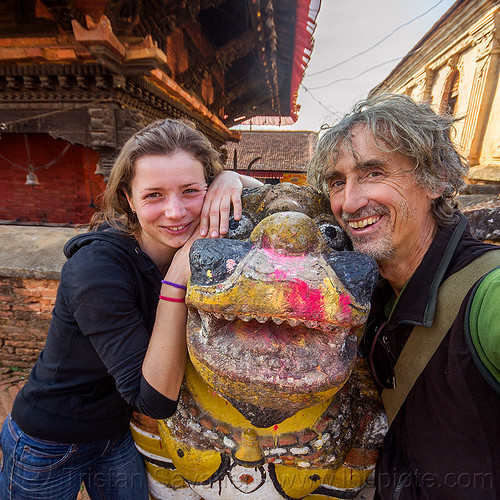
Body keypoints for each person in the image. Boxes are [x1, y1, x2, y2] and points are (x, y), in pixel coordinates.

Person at [0, 118, 262, 500]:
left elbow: (280, 197)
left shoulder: (195, 228)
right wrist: (176, 279)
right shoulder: (96, 270)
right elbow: (154, 400)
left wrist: (231, 179)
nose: (175, 212)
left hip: (117, 432)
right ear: (129, 199)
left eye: (190, 191)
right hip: (50, 440)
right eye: (154, 195)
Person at [308, 93, 500, 499]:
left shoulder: (488, 295)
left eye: (374, 173)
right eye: (337, 182)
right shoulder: (371, 287)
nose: (350, 202)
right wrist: (226, 180)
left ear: (437, 179)